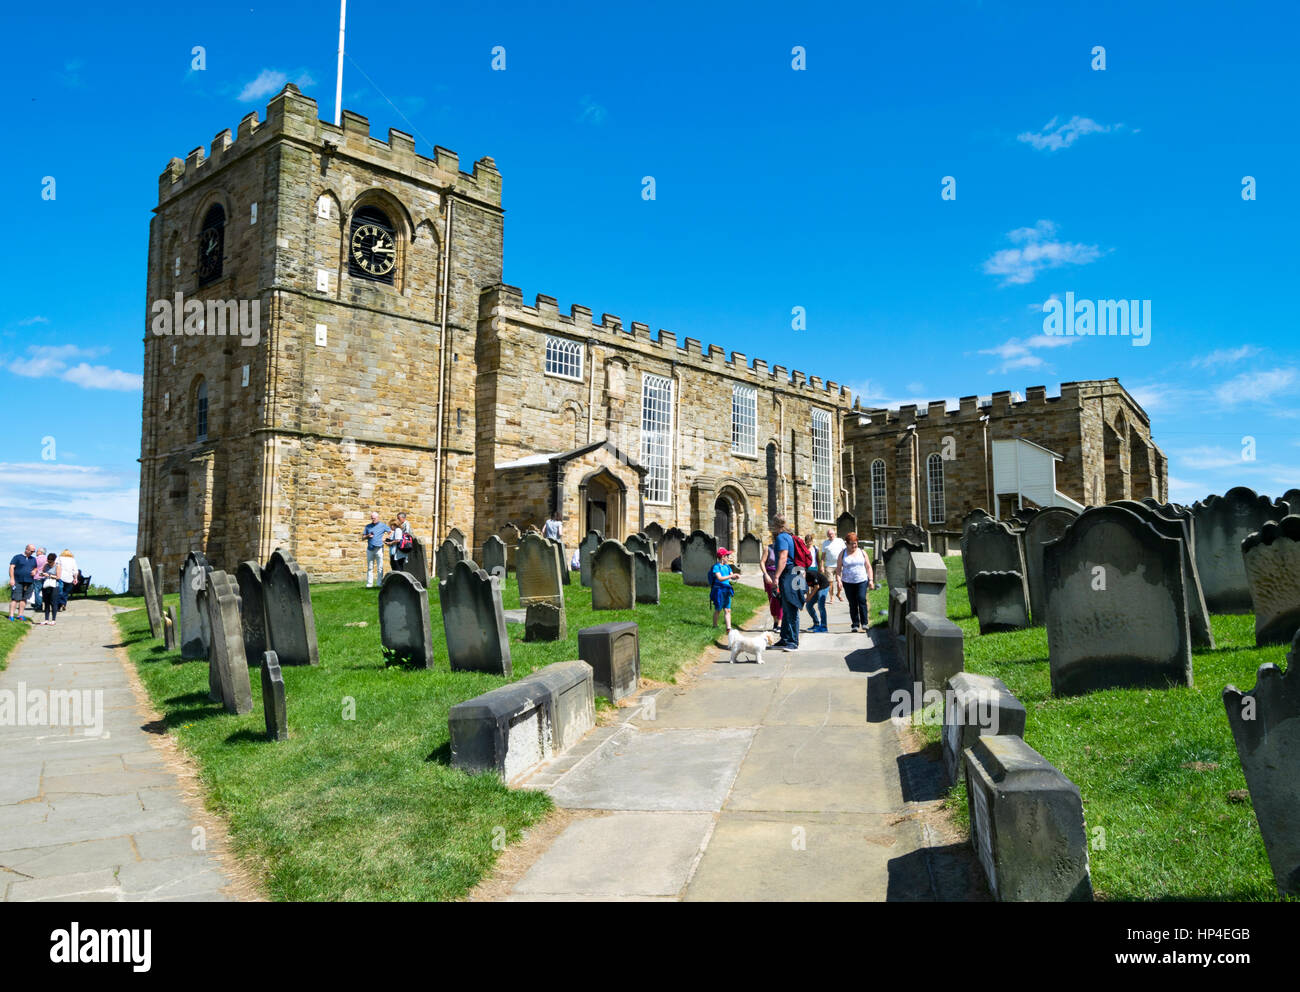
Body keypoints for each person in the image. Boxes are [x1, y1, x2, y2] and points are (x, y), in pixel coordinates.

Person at [770, 514, 806, 651]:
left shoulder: (781, 537)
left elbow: (783, 558)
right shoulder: (789, 536)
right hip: (794, 572)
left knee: (791, 609)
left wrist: (776, 577)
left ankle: (793, 641)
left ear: (775, 525)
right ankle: (785, 639)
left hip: (788, 574)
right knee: (786, 608)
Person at [835, 531, 874, 633]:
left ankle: (864, 623)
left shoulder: (862, 552)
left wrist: (871, 580)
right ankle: (855, 624)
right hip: (848, 582)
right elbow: (838, 568)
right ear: (846, 544)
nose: (854, 545)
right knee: (852, 603)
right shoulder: (842, 553)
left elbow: (868, 567)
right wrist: (839, 580)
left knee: (861, 599)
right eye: (852, 543)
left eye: (855, 543)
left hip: (861, 580)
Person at [710, 547, 737, 630]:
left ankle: (728, 628)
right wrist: (731, 576)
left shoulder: (728, 567)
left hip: (727, 590)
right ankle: (715, 625)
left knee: (727, 609)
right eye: (727, 556)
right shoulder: (716, 567)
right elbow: (720, 578)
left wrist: (735, 576)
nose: (728, 558)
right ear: (722, 557)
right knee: (718, 609)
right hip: (719, 591)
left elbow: (732, 576)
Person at [9, 544, 37, 623]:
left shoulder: (33, 559)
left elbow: (35, 567)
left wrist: (35, 571)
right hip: (17, 581)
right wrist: (12, 579)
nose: (33, 552)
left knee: (24, 599)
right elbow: (11, 567)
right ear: (27, 549)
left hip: (29, 581)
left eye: (34, 551)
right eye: (32, 551)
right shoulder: (17, 557)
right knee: (15, 598)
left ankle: (20, 615)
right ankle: (11, 616)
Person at [362, 512, 390, 587]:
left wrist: (386, 539)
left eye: (374, 518)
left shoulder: (383, 526)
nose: (373, 519)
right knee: (370, 567)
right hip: (370, 549)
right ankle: (369, 584)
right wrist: (368, 536)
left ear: (378, 518)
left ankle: (379, 583)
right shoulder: (368, 526)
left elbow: (391, 532)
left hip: (379, 548)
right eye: (372, 518)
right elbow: (362, 538)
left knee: (380, 567)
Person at [762, 542, 782, 633]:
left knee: (780, 599)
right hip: (769, 576)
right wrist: (765, 574)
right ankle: (775, 621)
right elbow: (762, 562)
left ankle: (780, 623)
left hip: (780, 576)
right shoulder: (768, 549)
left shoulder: (783, 549)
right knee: (772, 599)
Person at [36, 552, 61, 625]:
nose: (49, 562)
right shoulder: (46, 565)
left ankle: (53, 620)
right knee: (46, 603)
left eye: (50, 561)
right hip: (46, 585)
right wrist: (42, 574)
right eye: (48, 561)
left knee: (53, 603)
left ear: (54, 560)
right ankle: (46, 619)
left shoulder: (57, 566)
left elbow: (58, 577)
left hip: (54, 586)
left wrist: (49, 575)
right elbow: (42, 573)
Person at [804, 562, 830, 632]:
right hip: (816, 588)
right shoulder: (800, 577)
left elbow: (816, 586)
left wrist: (809, 597)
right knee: (808, 605)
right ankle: (816, 623)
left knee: (820, 606)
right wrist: (808, 596)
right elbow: (806, 587)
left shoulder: (811, 574)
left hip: (823, 586)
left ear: (805, 572)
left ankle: (824, 627)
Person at [822, 528, 846, 602]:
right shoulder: (825, 543)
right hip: (829, 565)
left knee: (840, 581)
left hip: (839, 564)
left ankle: (838, 594)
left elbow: (845, 552)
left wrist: (845, 563)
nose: (831, 535)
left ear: (835, 534)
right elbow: (823, 555)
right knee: (830, 582)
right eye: (829, 534)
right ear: (827, 535)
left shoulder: (840, 541)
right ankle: (831, 597)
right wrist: (822, 566)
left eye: (832, 534)